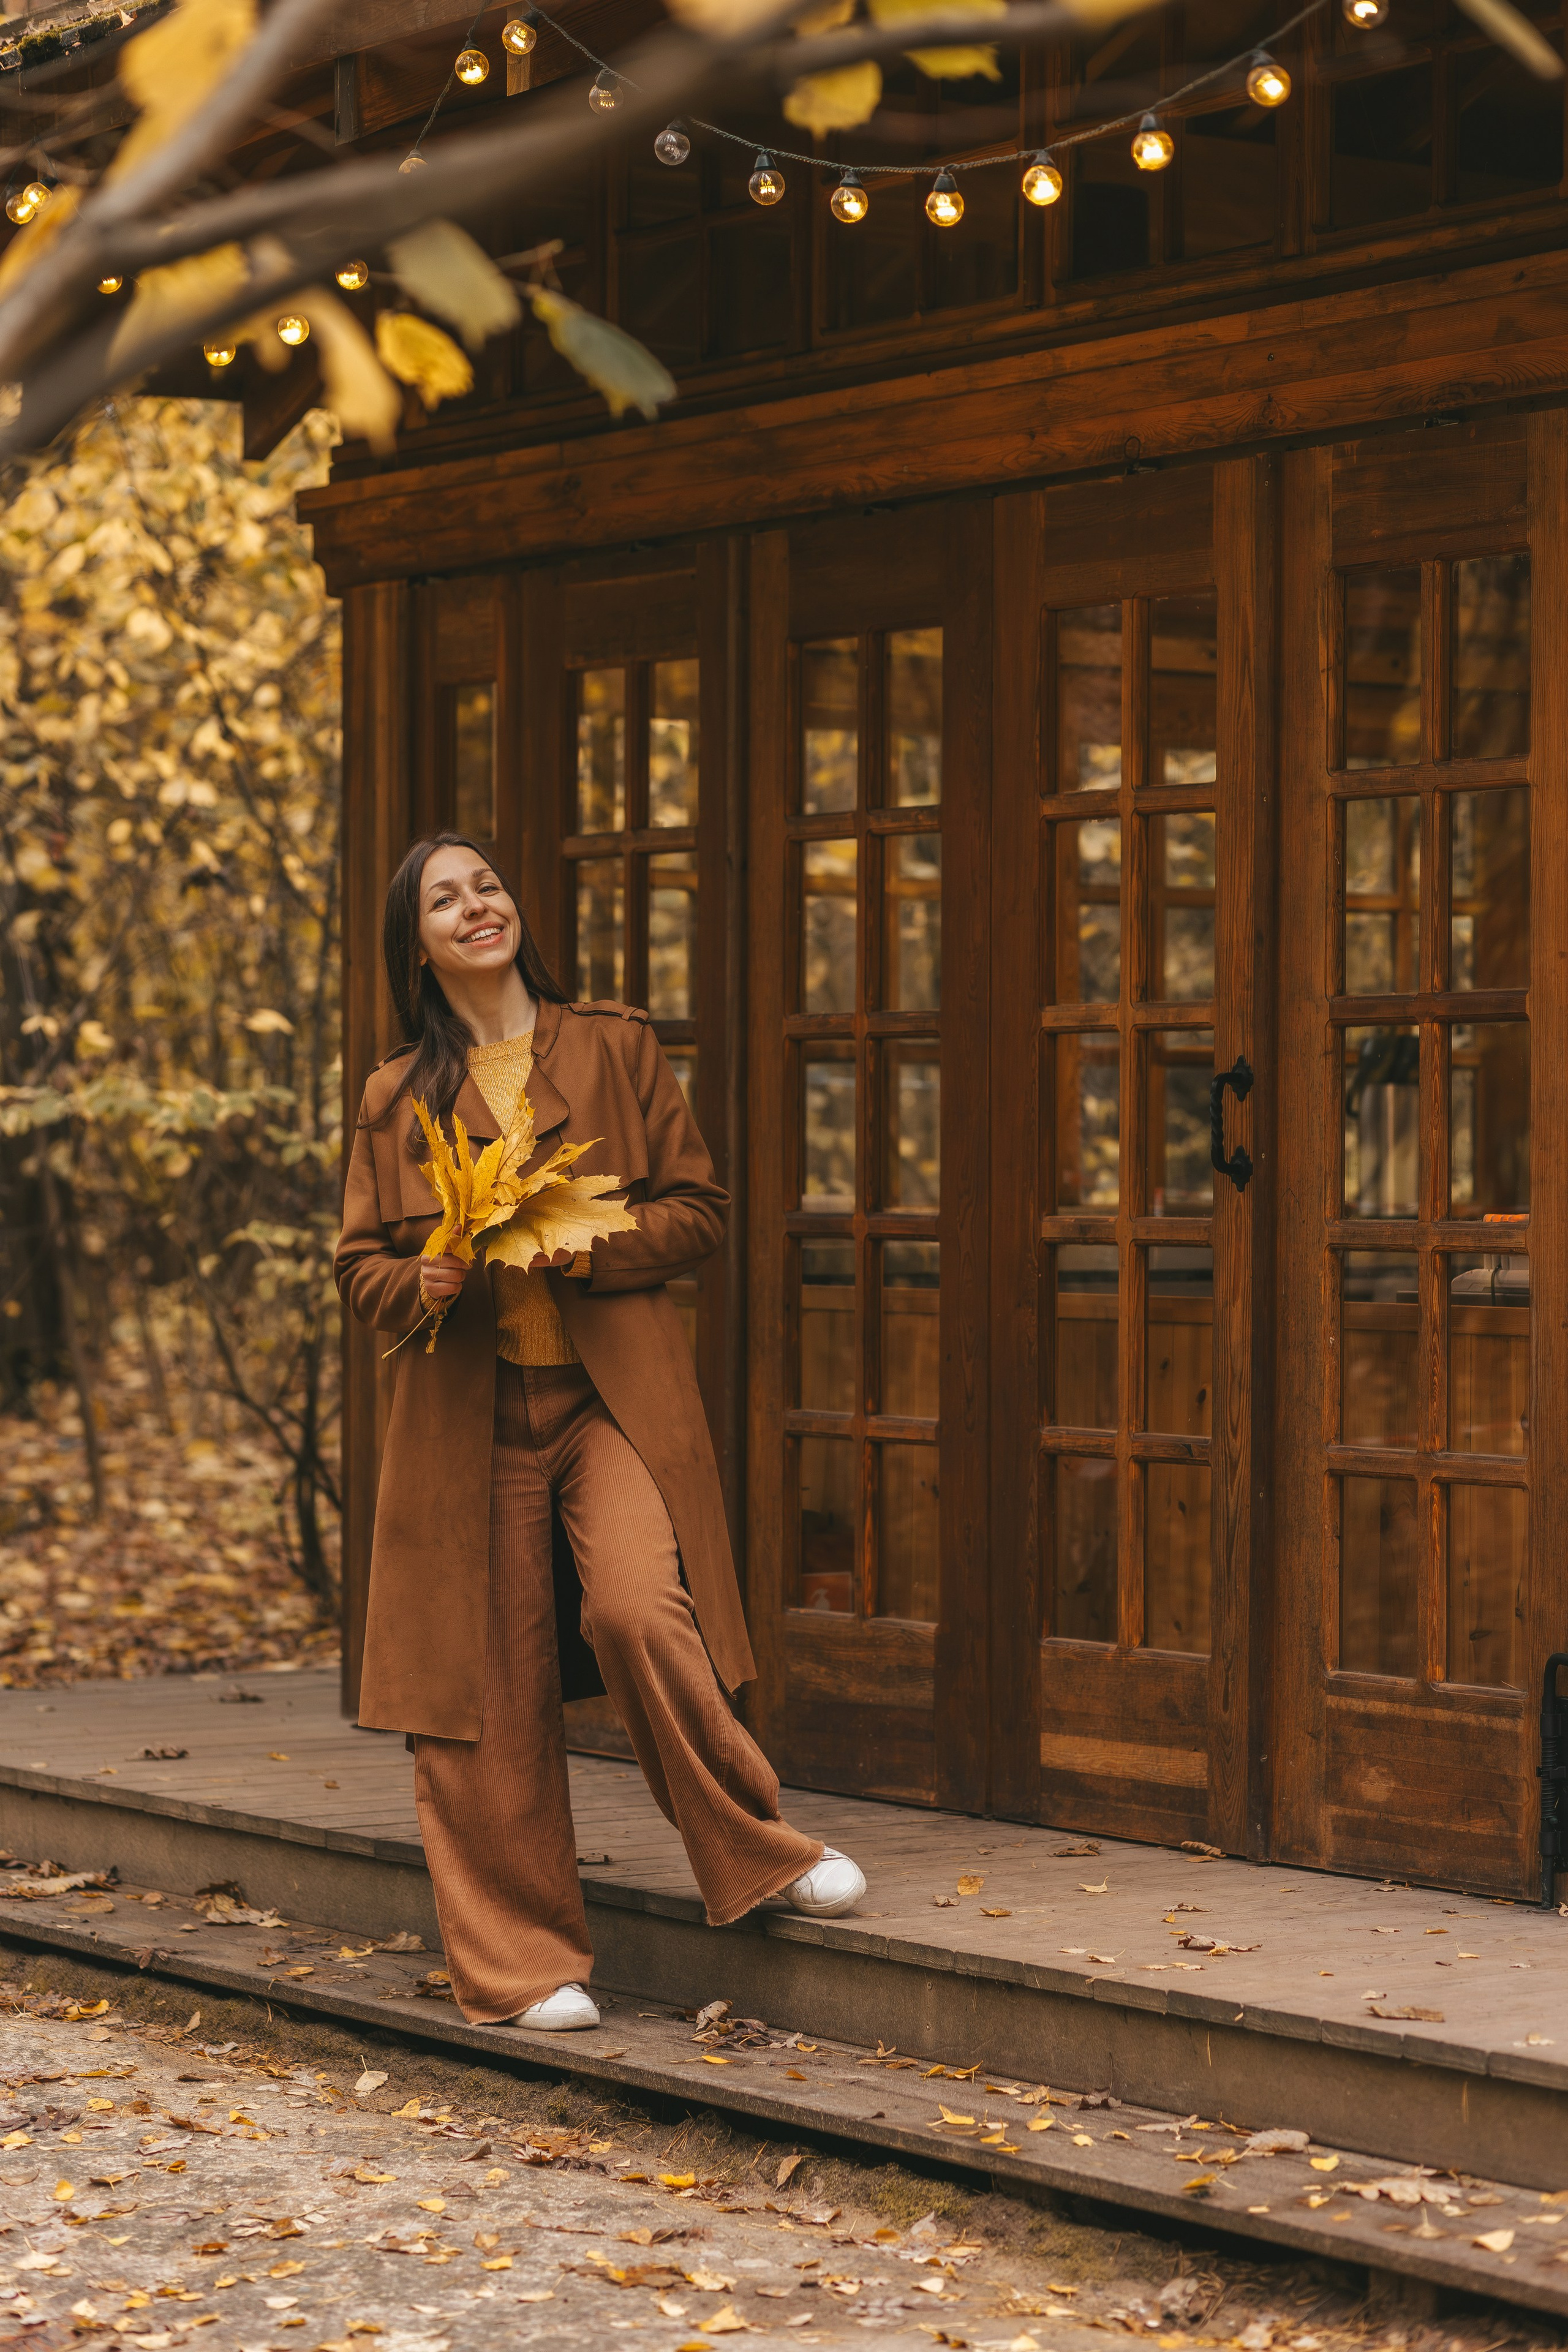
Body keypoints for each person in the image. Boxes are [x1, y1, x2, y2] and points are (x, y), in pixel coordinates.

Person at [334, 832, 865, 2031]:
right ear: (414, 947)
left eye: (488, 884)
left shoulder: (616, 1048)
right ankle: (524, 1966)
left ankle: (759, 1851)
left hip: (604, 1401)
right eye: (444, 899)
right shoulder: (391, 1096)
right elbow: (357, 1263)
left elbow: (701, 1209)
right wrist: (414, 1278)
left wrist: (592, 1241)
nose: (478, 905)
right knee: (488, 1683)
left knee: (634, 1607)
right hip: (465, 1424)